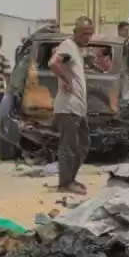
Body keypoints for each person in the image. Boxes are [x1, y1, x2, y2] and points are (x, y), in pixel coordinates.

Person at [48, 16, 94, 196]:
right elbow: (53, 63)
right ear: (75, 32)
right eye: (84, 33)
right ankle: (65, 183)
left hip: (77, 107)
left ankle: (71, 179)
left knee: (82, 144)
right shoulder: (68, 45)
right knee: (70, 146)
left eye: (90, 34)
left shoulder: (75, 50)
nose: (87, 37)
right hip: (68, 107)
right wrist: (67, 79)